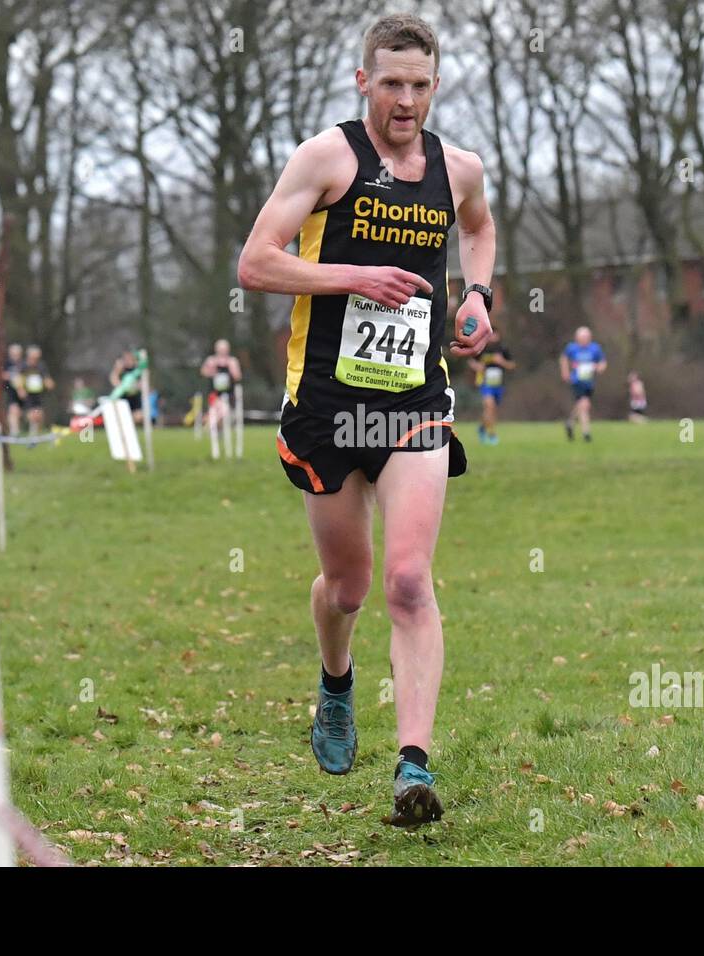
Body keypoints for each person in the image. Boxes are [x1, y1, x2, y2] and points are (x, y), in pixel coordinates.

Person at [236, 13, 494, 825]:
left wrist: (477, 295)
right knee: (346, 589)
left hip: (415, 399)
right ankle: (337, 682)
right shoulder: (327, 157)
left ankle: (413, 765)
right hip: (327, 405)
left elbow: (480, 229)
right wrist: (356, 278)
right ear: (363, 82)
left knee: (409, 581)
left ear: (436, 85)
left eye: (420, 85)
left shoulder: (458, 169)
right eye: (390, 83)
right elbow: (255, 262)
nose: (405, 100)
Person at [468, 327, 513, 444]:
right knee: (489, 406)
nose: (492, 337)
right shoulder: (482, 348)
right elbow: (471, 360)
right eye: (490, 335)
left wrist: (502, 362)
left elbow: (512, 365)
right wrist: (477, 366)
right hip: (485, 383)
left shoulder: (503, 349)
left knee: (492, 411)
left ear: (498, 335)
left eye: (494, 335)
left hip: (498, 385)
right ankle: (492, 434)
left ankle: (482, 428)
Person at [560, 326, 605, 441]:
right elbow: (564, 358)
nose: (584, 340)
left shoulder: (595, 348)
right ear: (577, 338)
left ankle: (570, 423)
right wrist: (565, 372)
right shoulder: (572, 348)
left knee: (582, 405)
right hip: (576, 380)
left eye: (586, 337)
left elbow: (602, 362)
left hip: (589, 381)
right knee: (584, 405)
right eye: (582, 337)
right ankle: (586, 434)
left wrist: (599, 368)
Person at [200, 339, 241, 435]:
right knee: (219, 411)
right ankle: (211, 425)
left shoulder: (232, 361)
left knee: (224, 411)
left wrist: (231, 372)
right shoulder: (211, 360)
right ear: (216, 349)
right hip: (214, 394)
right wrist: (211, 372)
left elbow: (238, 376)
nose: (223, 351)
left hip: (228, 394)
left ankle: (211, 424)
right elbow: (203, 372)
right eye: (221, 349)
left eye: (224, 349)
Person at [20, 344, 54, 435]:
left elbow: (46, 377)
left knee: (39, 415)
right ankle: (31, 434)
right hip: (27, 395)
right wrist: (20, 389)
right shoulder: (23, 366)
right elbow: (18, 378)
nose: (36, 359)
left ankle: (35, 435)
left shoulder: (41, 366)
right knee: (32, 415)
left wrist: (49, 383)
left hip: (38, 395)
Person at [110, 349, 143, 423]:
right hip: (123, 395)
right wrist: (121, 386)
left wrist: (137, 386)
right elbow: (114, 378)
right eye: (125, 358)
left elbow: (142, 382)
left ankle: (130, 424)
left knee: (138, 416)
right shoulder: (121, 368)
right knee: (122, 416)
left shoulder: (137, 368)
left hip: (135, 395)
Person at [2, 342, 25, 436]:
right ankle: (14, 431)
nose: (16, 356)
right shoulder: (6, 363)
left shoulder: (24, 364)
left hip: (23, 391)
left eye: (17, 354)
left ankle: (18, 430)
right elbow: (2, 375)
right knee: (13, 409)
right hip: (10, 390)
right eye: (13, 354)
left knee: (19, 412)